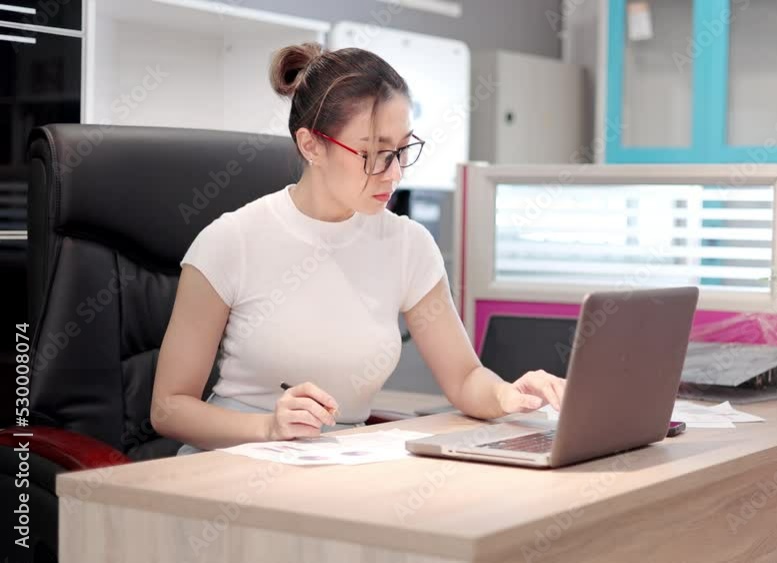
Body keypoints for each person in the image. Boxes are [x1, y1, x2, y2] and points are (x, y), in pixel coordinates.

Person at [152, 43, 565, 455]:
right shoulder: (231, 241)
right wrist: (269, 427)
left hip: (339, 462)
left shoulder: (408, 245)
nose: (394, 172)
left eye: (401, 150)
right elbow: (169, 408)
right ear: (311, 145)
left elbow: (464, 378)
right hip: (232, 463)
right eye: (373, 153)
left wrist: (508, 395)